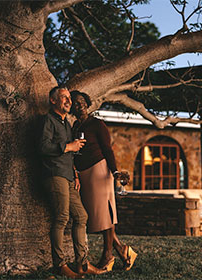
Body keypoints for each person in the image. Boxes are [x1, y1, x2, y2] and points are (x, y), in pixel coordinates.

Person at [38, 87, 107, 279]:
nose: (68, 101)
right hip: (54, 174)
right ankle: (60, 265)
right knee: (61, 217)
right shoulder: (48, 121)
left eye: (69, 98)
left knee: (82, 216)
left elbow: (70, 153)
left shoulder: (67, 124)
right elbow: (43, 147)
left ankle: (82, 264)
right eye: (64, 98)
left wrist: (75, 173)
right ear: (53, 100)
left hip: (68, 175)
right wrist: (69, 146)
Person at [70, 90, 137, 272]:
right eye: (76, 103)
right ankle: (121, 249)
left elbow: (108, 149)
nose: (80, 105)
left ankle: (108, 255)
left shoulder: (97, 124)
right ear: (72, 107)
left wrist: (115, 171)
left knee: (106, 213)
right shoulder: (75, 126)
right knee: (96, 216)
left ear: (88, 103)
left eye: (83, 101)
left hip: (99, 171)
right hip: (83, 174)